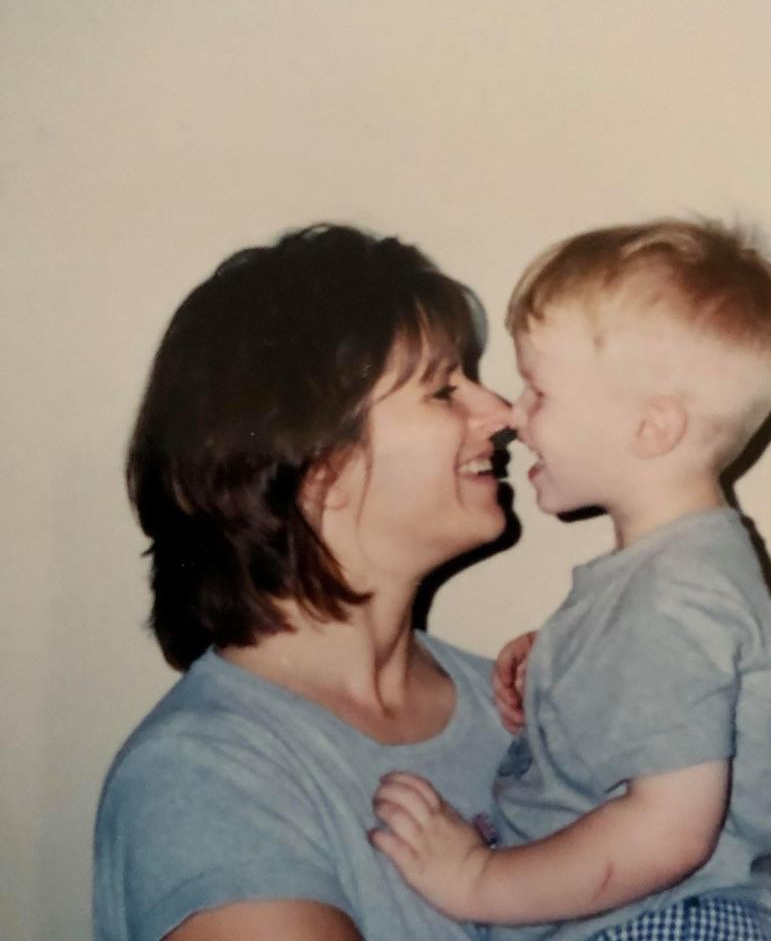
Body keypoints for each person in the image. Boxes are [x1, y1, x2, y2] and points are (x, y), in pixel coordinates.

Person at [371, 220, 771, 940]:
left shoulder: (674, 598)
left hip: (663, 924)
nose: (514, 417)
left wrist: (477, 880)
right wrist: (566, 660)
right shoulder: (674, 580)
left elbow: (668, 833)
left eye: (539, 392)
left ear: (652, 427)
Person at [93, 224, 515, 941]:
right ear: (320, 468)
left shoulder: (519, 706)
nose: (501, 415)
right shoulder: (208, 775)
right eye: (445, 391)